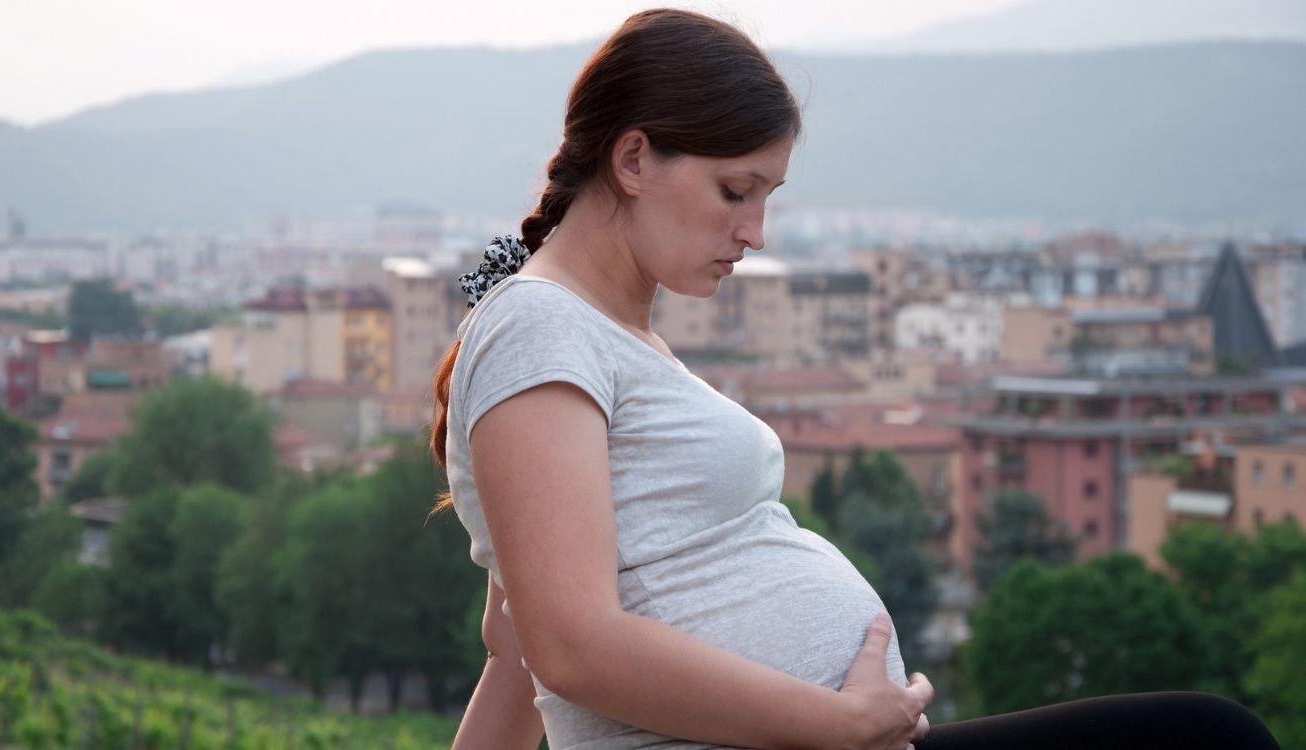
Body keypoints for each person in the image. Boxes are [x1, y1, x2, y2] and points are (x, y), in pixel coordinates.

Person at [425, 8, 1282, 750]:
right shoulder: (539, 323)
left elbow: (517, 648)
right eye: (736, 190)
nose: (755, 232)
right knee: (1207, 740)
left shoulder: (602, 335)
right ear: (635, 159)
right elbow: (569, 646)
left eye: (768, 195)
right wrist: (833, 725)